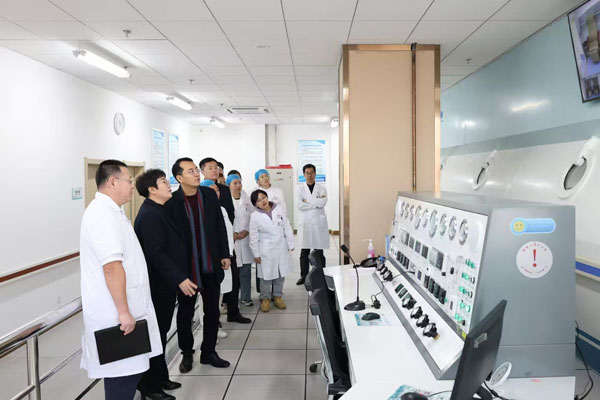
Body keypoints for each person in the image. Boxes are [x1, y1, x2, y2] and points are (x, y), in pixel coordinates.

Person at [79, 160, 162, 400]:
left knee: (130, 374)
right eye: (129, 181)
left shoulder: (113, 212)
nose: (132, 186)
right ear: (113, 181)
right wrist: (124, 312)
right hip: (116, 315)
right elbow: (112, 267)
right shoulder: (101, 214)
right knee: (121, 379)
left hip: (128, 309)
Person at [164, 157, 231, 371]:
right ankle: (187, 353)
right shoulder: (172, 202)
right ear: (179, 178)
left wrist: (225, 254)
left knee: (212, 311)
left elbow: (219, 225)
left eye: (195, 170)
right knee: (185, 314)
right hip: (187, 269)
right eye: (190, 171)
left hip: (210, 265)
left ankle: (209, 352)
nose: (196, 174)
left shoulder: (208, 195)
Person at [134, 169, 194, 400]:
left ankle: (160, 377)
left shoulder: (159, 209)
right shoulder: (150, 214)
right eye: (163, 182)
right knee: (155, 334)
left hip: (165, 285)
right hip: (157, 286)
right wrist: (179, 278)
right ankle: (150, 387)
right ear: (152, 189)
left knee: (160, 334)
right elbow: (155, 253)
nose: (169, 184)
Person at [200, 157, 250, 324]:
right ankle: (213, 319)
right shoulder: (200, 190)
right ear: (202, 171)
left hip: (227, 241)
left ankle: (233, 312)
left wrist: (230, 233)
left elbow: (230, 214)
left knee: (234, 278)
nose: (214, 170)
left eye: (216, 167)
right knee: (213, 285)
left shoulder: (224, 190)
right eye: (210, 168)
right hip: (210, 246)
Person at [249, 189, 294, 313]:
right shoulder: (255, 216)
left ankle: (277, 296)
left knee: (280, 273)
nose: (262, 201)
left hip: (281, 246)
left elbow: (287, 226)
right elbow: (253, 236)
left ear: (267, 197)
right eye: (258, 200)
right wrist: (256, 253)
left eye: (263, 197)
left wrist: (290, 243)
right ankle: (265, 299)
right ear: (255, 204)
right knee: (265, 276)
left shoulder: (279, 209)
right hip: (265, 248)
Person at [296, 164, 329, 285]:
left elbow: (323, 202)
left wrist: (307, 201)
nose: (309, 175)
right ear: (304, 175)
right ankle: (304, 276)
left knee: (319, 250)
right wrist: (315, 202)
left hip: (318, 223)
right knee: (304, 251)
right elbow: (300, 205)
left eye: (311, 173)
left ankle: (321, 274)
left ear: (315, 174)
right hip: (305, 223)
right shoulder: (300, 189)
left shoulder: (321, 188)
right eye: (307, 173)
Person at [227, 174, 254, 306]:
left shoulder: (246, 197)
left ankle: (246, 297)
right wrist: (233, 234)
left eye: (239, 182)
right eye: (235, 183)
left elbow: (253, 216)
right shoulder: (225, 198)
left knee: (246, 270)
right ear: (229, 185)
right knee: (233, 271)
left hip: (245, 237)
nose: (238, 186)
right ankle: (230, 300)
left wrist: (247, 230)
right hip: (232, 239)